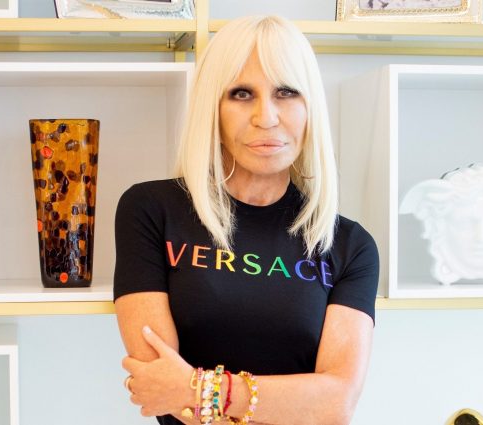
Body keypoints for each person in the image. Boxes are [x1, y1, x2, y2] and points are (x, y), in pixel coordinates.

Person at [113, 15, 379, 425]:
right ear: (213, 109)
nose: (266, 117)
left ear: (310, 108)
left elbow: (336, 403)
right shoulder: (150, 210)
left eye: (286, 92)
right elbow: (159, 385)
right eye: (241, 93)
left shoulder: (349, 245)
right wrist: (294, 401)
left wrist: (196, 387)